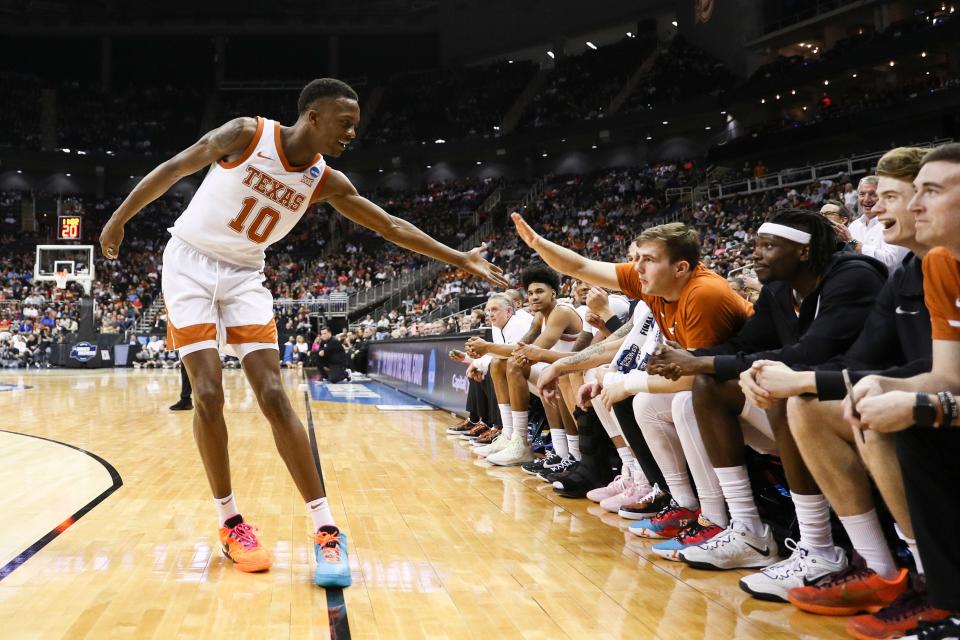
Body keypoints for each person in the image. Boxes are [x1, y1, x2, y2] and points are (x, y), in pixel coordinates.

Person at [98, 77, 507, 588]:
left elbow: (392, 226)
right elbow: (176, 167)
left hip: (246, 275)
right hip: (189, 264)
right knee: (206, 391)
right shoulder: (245, 134)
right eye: (345, 123)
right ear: (313, 117)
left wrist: (459, 256)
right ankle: (230, 522)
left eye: (355, 125)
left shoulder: (325, 181)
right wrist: (118, 220)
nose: (352, 133)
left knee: (273, 394)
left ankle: (326, 529)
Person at [741, 147, 947, 637]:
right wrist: (799, 379)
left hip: (944, 407)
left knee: (870, 409)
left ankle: (938, 582)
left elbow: (936, 371)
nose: (874, 208)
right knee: (814, 407)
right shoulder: (907, 273)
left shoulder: (871, 272)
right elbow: (864, 362)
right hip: (938, 399)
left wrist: (816, 378)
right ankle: (882, 570)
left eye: (896, 196)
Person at [647, 209, 887, 600]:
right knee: (709, 384)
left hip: (859, 398)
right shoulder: (779, 290)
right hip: (814, 401)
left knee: (780, 389)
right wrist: (690, 358)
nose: (755, 255)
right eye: (756, 246)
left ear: (805, 252)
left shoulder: (854, 276)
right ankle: (749, 531)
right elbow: (744, 347)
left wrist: (699, 361)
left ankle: (820, 548)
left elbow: (810, 354)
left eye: (768, 247)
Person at [844, 143, 960, 638]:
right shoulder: (941, 264)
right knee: (909, 422)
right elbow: (948, 377)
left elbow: (941, 396)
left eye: (929, 192)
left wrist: (923, 403)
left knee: (919, 416)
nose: (913, 205)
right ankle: (947, 601)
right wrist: (884, 384)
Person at [848, 175, 910, 270]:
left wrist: (855, 244)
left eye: (873, 194)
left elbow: (891, 261)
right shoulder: (853, 226)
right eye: (862, 194)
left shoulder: (895, 222)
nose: (866, 199)